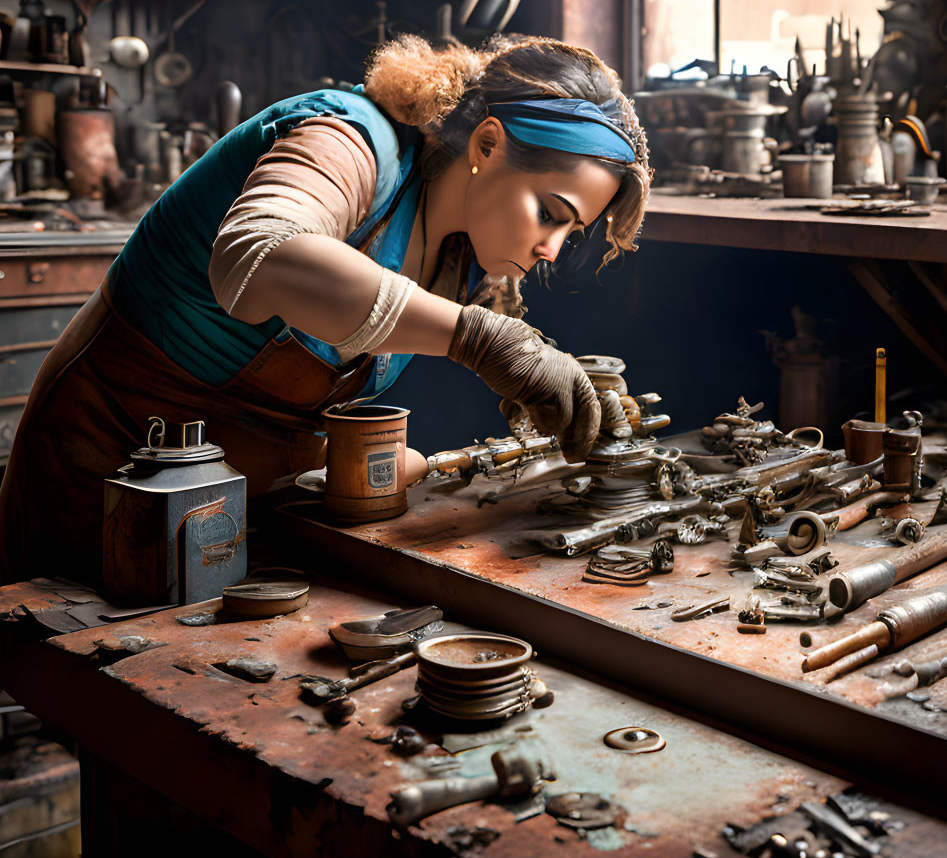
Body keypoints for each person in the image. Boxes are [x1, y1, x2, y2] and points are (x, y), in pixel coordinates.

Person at [0, 34, 651, 585]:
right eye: (550, 214)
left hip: (239, 508)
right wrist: (487, 343)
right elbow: (258, 259)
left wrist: (542, 388)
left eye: (572, 233)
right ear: (486, 145)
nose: (549, 247)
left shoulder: (461, 258)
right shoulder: (350, 136)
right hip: (103, 473)